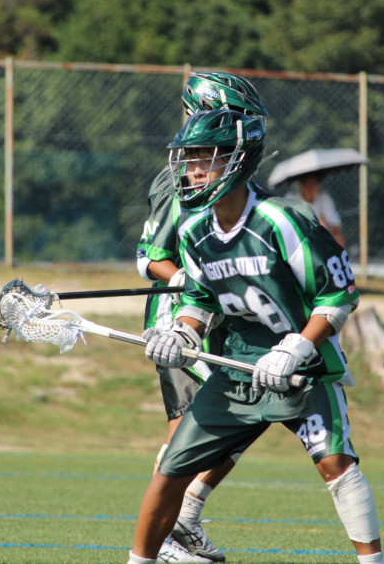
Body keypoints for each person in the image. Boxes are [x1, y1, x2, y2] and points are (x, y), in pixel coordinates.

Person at [127, 108, 384, 564]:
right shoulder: (194, 230)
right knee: (172, 469)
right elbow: (200, 300)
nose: (192, 170)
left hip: (303, 366)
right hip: (239, 364)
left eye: (204, 157)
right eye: (189, 158)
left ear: (238, 160)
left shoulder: (282, 219)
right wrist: (181, 334)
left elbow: (339, 294)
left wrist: (298, 346)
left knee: (336, 463)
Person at [136, 71, 269, 563]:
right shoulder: (180, 177)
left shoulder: (237, 179)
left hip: (225, 324)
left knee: (247, 416)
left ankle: (186, 516)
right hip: (181, 323)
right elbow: (150, 257)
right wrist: (192, 280)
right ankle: (164, 541)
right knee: (187, 433)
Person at [287, 172, 345, 247]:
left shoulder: (324, 198)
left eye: (315, 184)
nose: (312, 188)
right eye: (309, 184)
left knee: (339, 238)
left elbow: (335, 227)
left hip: (321, 238)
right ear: (302, 185)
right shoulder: (291, 199)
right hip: (300, 240)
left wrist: (326, 227)